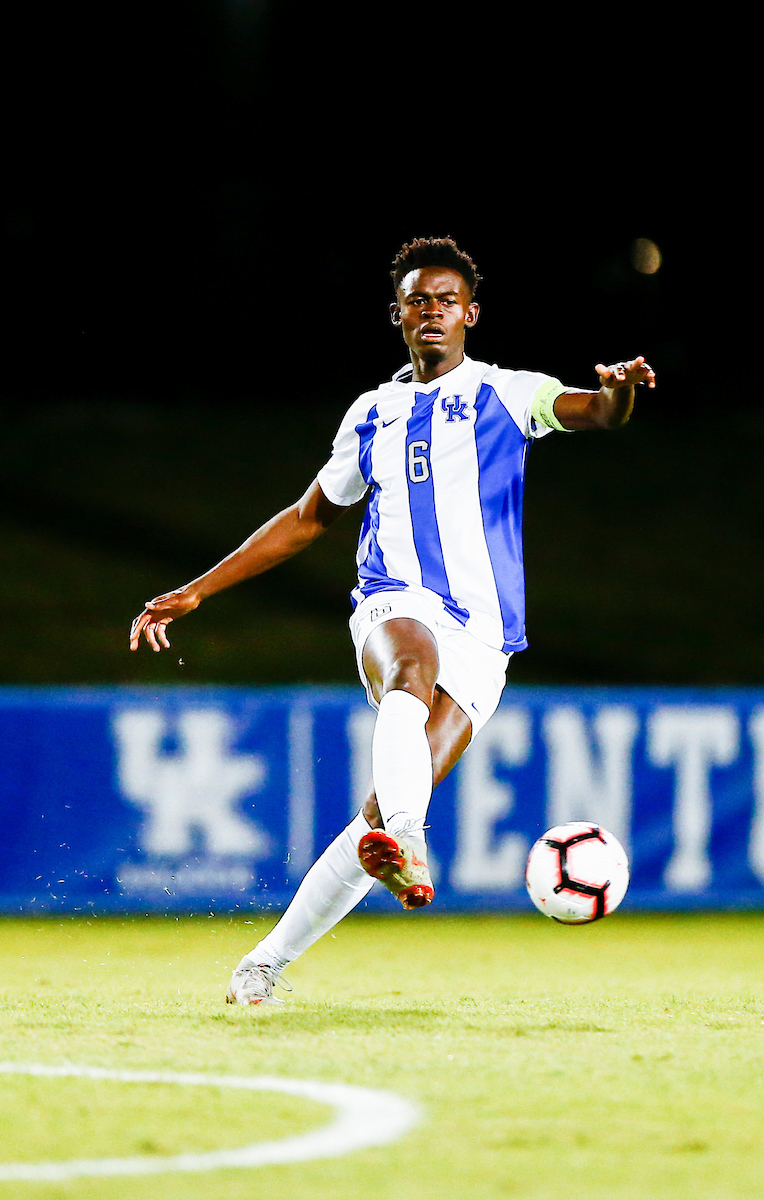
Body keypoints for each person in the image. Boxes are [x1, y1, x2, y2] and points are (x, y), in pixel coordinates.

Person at [129, 236, 656, 1006]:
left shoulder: (510, 394)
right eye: (418, 301)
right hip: (393, 598)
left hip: (484, 636)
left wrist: (620, 392)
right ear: (397, 315)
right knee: (409, 668)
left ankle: (263, 963)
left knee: (373, 816)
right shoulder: (372, 413)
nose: (432, 311)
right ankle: (410, 840)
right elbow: (308, 518)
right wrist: (199, 590)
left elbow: (597, 412)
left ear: (471, 314)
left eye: (447, 300)